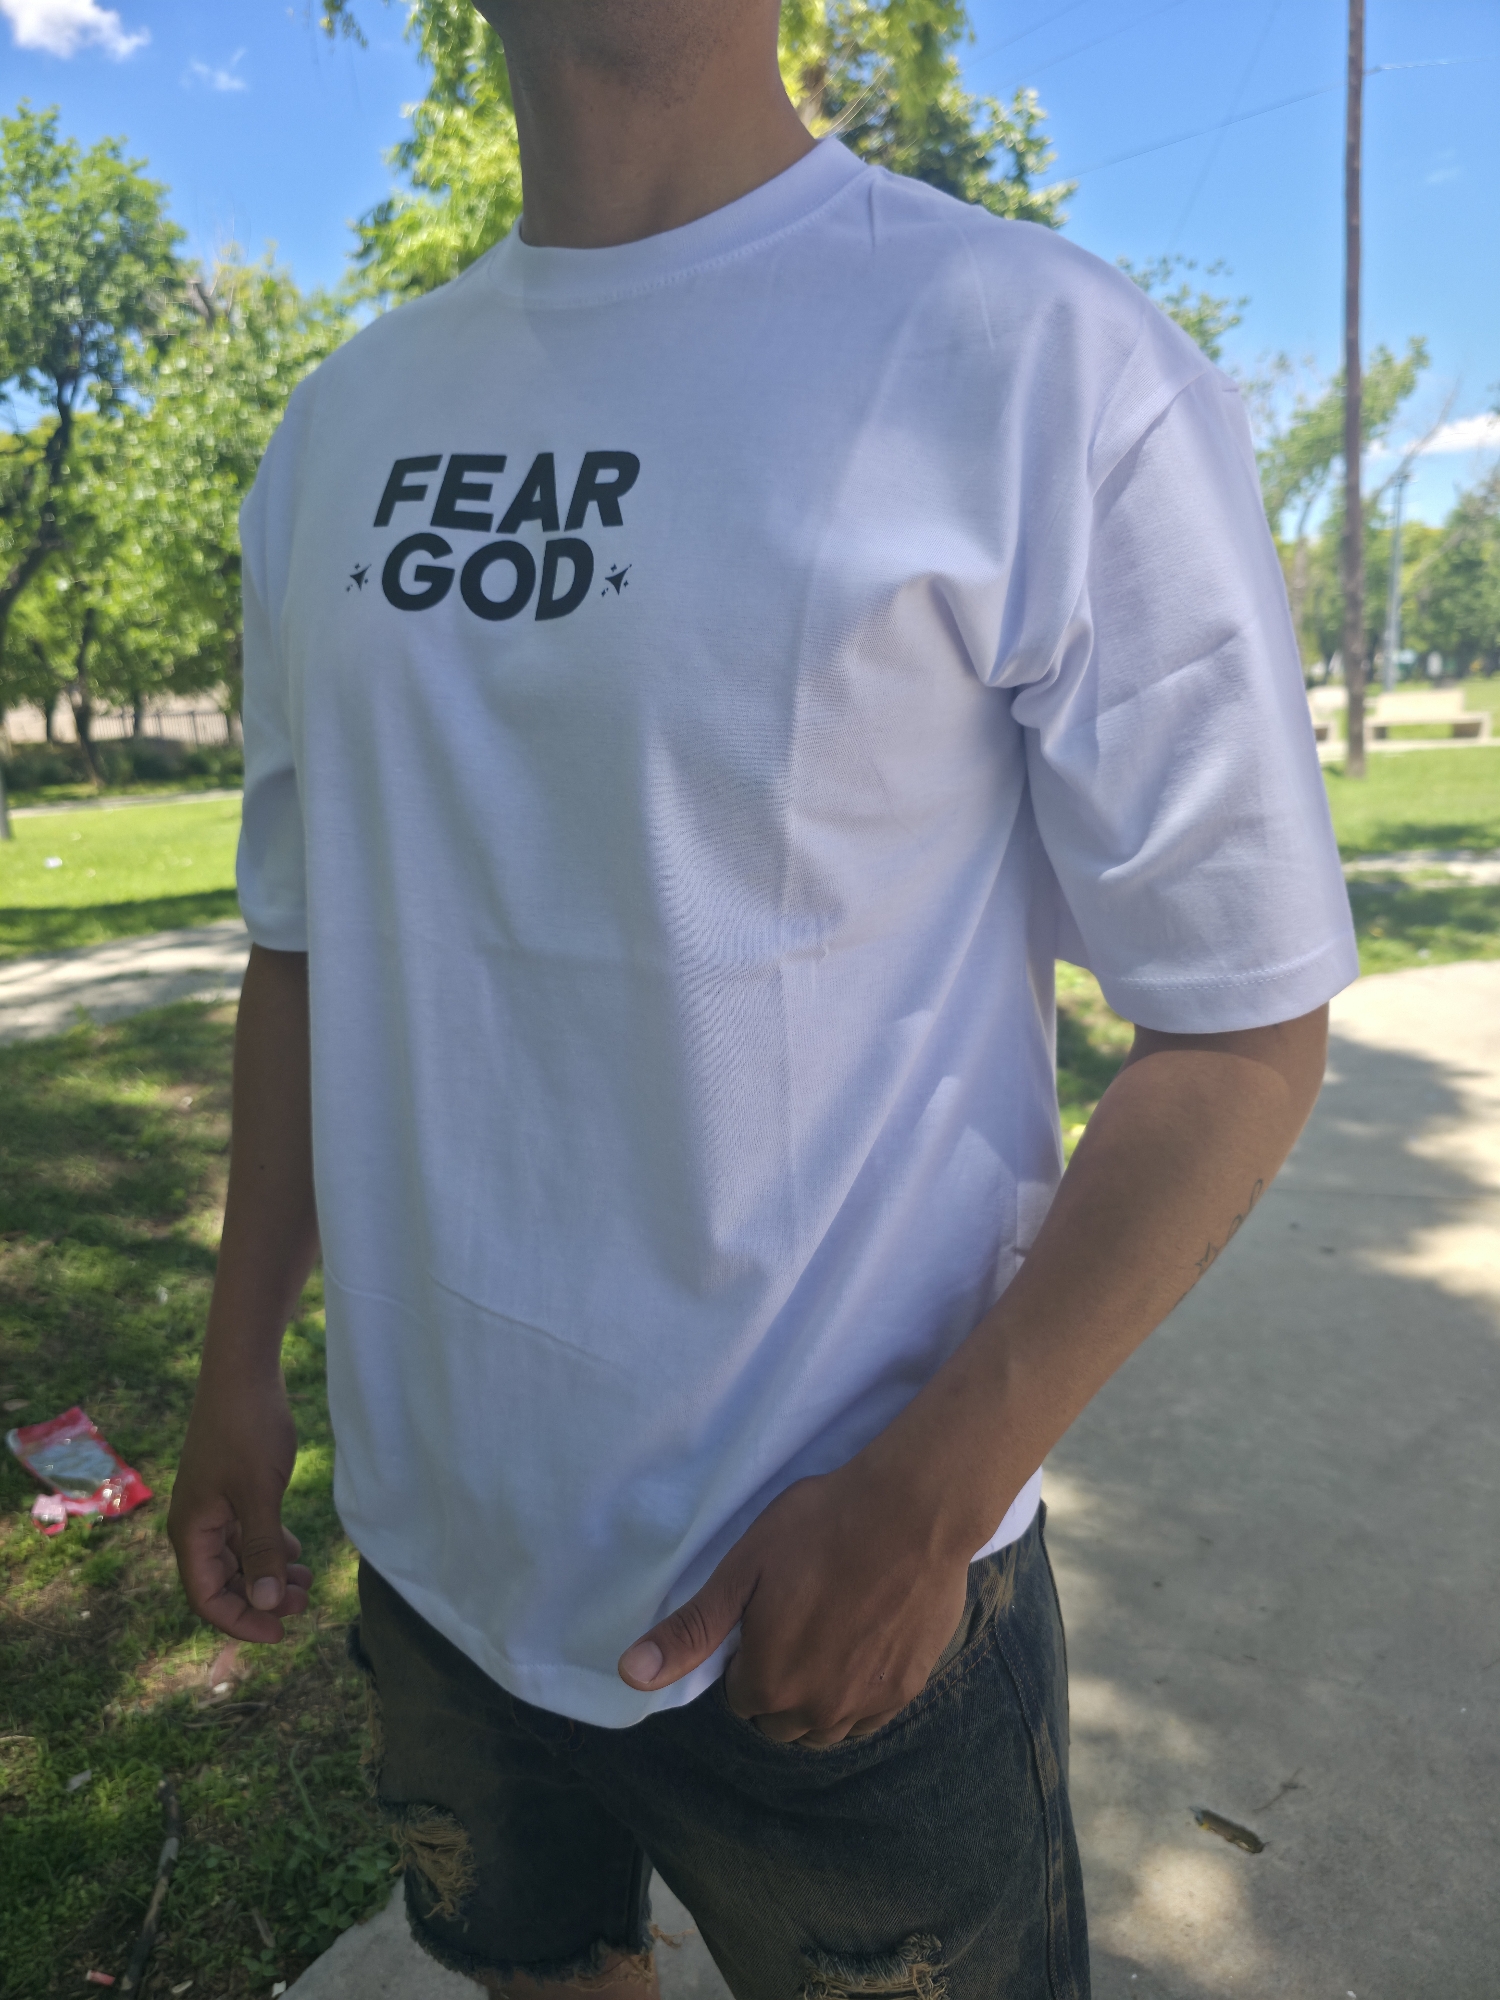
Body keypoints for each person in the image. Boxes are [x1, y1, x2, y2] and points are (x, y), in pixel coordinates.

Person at [167, 1, 1357, 1995]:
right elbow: (306, 947)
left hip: (839, 1595)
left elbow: (1241, 1022)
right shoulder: (338, 431)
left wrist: (925, 1501)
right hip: (435, 1553)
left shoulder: (1037, 359)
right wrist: (237, 1360)